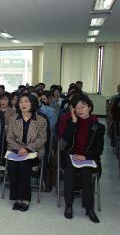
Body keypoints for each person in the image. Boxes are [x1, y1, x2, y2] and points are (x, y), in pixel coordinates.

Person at [60, 94, 105, 223]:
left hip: (88, 159)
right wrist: (73, 122)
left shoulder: (99, 127)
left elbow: (99, 150)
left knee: (86, 173)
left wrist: (84, 156)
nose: (79, 110)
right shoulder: (71, 122)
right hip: (71, 157)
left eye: (83, 106)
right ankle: (68, 205)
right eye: (77, 107)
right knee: (69, 172)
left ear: (89, 107)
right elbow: (65, 142)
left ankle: (89, 208)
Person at [6, 93, 47, 212]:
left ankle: (25, 199)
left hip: (34, 151)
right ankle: (17, 198)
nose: (23, 104)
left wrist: (27, 149)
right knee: (12, 166)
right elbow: (9, 137)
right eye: (21, 102)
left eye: (26, 101)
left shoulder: (41, 120)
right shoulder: (14, 118)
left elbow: (42, 139)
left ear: (32, 103)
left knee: (24, 166)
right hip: (16, 150)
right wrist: (19, 149)